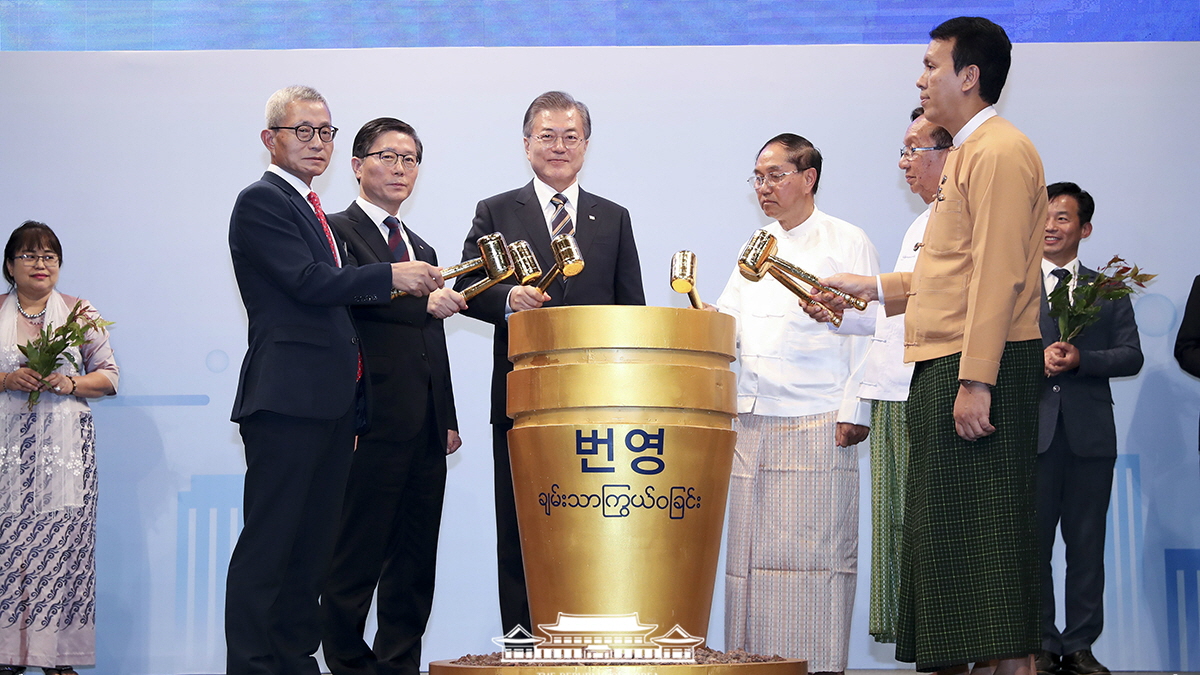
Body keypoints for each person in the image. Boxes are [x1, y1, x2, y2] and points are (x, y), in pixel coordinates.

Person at [816, 17, 1048, 675]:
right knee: (951, 554)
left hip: (974, 369)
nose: (920, 79)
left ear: (968, 76)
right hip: (944, 362)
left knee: (987, 556)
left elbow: (1000, 272)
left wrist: (978, 379)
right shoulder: (971, 153)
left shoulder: (998, 151)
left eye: (930, 65)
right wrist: (867, 289)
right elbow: (948, 272)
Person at [226, 86, 443, 675]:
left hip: (331, 407)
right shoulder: (263, 201)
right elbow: (306, 281)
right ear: (271, 138)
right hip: (287, 401)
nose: (316, 142)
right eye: (303, 131)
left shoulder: (313, 210)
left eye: (325, 131)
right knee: (271, 547)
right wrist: (391, 276)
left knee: (312, 552)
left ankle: (295, 660)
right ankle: (252, 665)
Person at [454, 90, 644, 635]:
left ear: (586, 145)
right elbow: (469, 285)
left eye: (571, 137)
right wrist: (506, 298)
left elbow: (632, 308)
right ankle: (521, 645)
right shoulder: (495, 210)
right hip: (523, 400)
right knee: (520, 528)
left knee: (594, 528)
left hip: (599, 407)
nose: (559, 147)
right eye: (547, 136)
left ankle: (589, 640)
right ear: (526, 144)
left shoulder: (613, 217)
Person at [714, 133, 878, 675]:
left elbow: (870, 331)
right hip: (754, 420)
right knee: (749, 562)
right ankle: (751, 664)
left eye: (775, 175)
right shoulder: (757, 244)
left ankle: (818, 666)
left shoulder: (846, 240)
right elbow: (726, 325)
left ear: (808, 178)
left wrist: (856, 409)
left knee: (819, 562)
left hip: (819, 419)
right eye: (758, 177)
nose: (764, 187)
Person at [321, 117, 465, 675]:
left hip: (424, 426)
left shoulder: (422, 245)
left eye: (410, 159)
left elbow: (433, 341)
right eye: (388, 156)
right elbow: (349, 304)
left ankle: (400, 664)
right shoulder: (334, 231)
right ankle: (349, 665)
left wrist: (446, 417)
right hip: (368, 420)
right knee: (355, 555)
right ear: (357, 166)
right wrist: (416, 301)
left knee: (413, 559)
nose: (400, 168)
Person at [831, 109, 951, 645]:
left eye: (913, 150)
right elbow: (898, 315)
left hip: (924, 389)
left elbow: (933, 304)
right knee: (897, 528)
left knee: (924, 529)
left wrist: (869, 287)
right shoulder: (921, 222)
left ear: (950, 154)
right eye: (903, 151)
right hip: (891, 392)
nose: (904, 163)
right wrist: (844, 310)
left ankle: (942, 641)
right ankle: (919, 638)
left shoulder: (955, 219)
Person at [0, 221, 118, 675]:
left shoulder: (78, 312)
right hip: (8, 458)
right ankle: (9, 654)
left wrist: (70, 382)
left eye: (49, 255)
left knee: (61, 551)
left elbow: (109, 377)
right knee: (8, 550)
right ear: (10, 266)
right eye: (28, 255)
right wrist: (6, 379)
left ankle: (56, 658)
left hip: (64, 458)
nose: (40, 263)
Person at [1035, 182, 1142, 675]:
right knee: (1030, 548)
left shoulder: (1108, 289)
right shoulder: (1011, 287)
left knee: (1086, 548)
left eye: (1062, 218)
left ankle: (1079, 646)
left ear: (1085, 228)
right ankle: (1037, 643)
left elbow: (1131, 354)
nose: (1051, 226)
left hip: (1090, 438)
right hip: (1029, 436)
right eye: (1044, 216)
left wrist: (1082, 358)